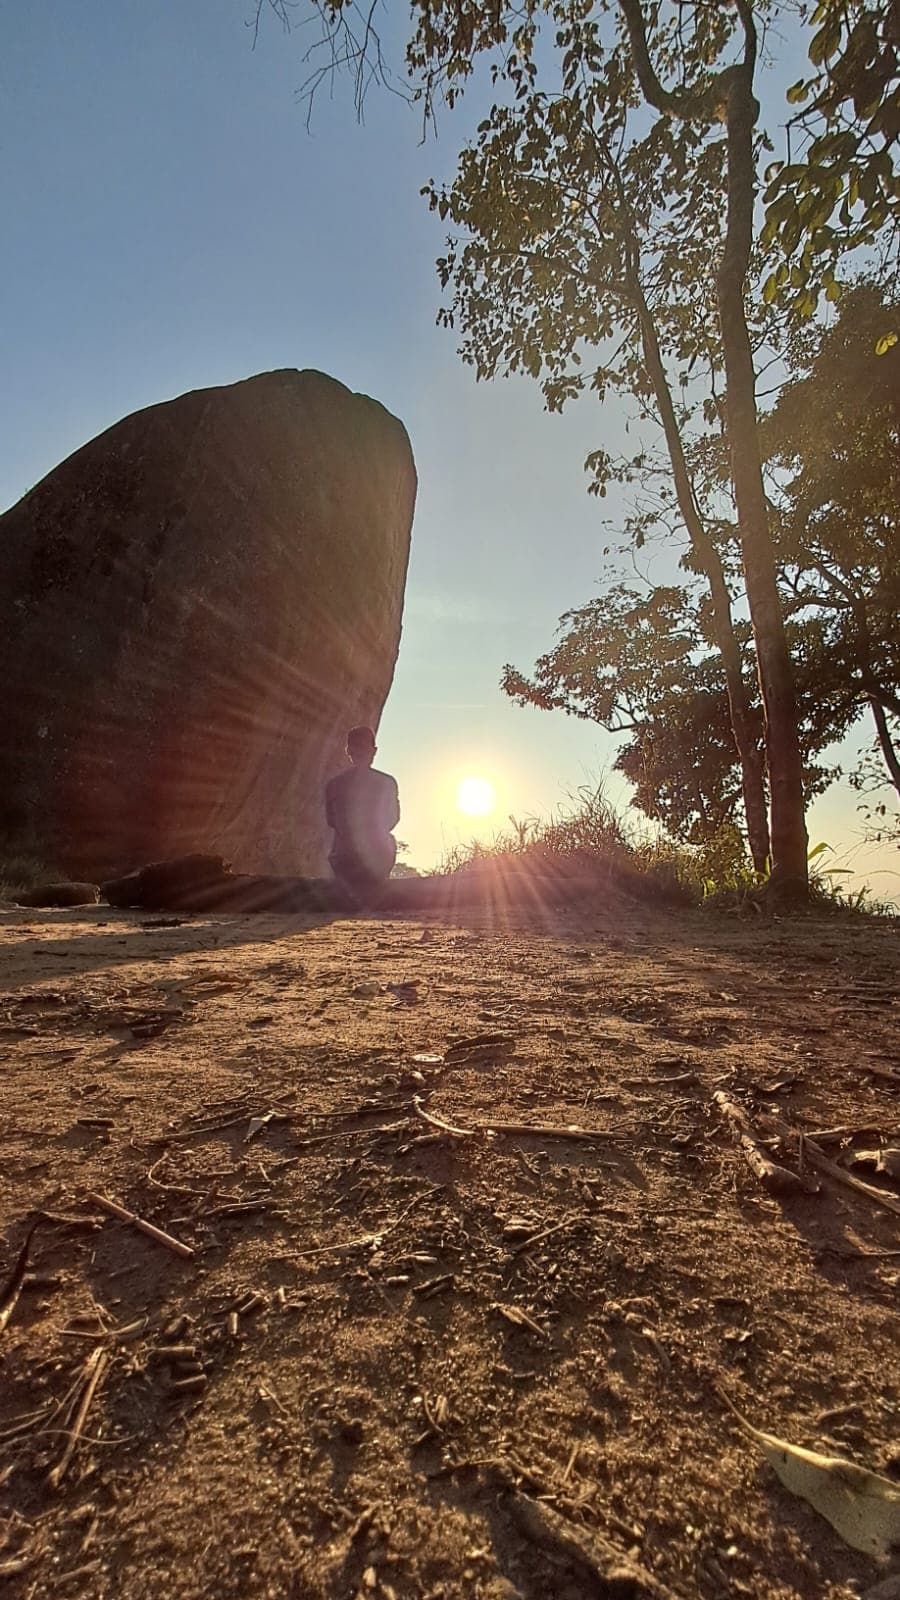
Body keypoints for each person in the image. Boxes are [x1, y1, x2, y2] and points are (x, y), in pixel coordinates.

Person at [325, 726, 400, 903]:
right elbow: (394, 819)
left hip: (343, 862)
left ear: (348, 751)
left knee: (337, 843)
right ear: (374, 751)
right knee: (389, 840)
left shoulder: (334, 785)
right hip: (378, 861)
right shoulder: (387, 783)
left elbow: (331, 821)